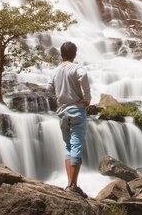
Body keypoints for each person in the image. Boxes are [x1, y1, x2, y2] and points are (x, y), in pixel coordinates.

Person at [48, 41, 91, 198]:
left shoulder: (55, 71)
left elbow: (49, 88)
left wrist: (59, 95)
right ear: (75, 54)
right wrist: (87, 97)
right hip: (77, 110)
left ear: (61, 54)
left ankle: (69, 184)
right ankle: (73, 186)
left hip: (62, 112)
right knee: (77, 146)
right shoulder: (77, 68)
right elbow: (83, 75)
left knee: (68, 146)